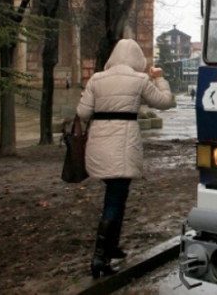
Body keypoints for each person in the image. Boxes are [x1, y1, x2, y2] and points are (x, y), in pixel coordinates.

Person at [76, 39, 176, 279]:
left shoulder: (97, 79)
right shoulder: (140, 79)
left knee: (116, 196)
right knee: (114, 200)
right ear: (136, 59)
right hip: (123, 146)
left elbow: (82, 113)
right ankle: (100, 259)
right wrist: (159, 77)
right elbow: (166, 102)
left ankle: (112, 247)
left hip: (99, 145)